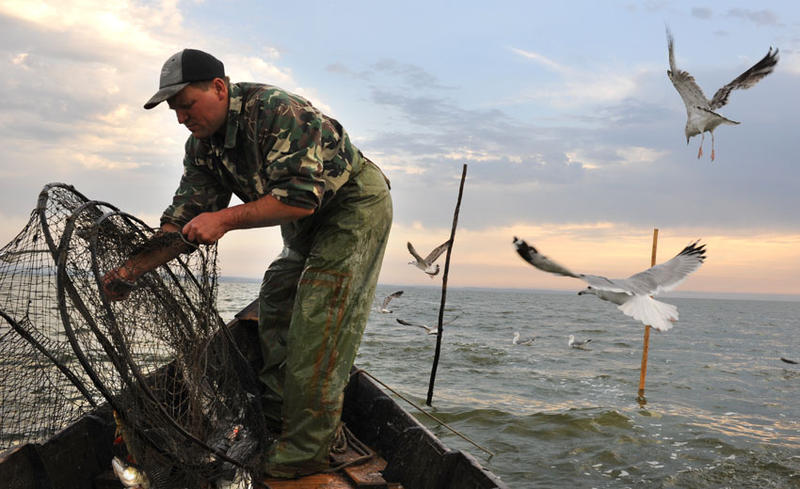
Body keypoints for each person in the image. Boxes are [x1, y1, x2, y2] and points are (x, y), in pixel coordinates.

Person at [103, 48, 392, 478]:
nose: (181, 118)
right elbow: (182, 221)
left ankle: (305, 451)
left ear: (219, 88)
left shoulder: (276, 111)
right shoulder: (201, 148)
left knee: (318, 315)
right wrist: (130, 271)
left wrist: (223, 219)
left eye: (186, 105)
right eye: (174, 110)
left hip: (350, 205)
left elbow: (297, 199)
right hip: (301, 220)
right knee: (275, 303)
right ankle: (277, 420)